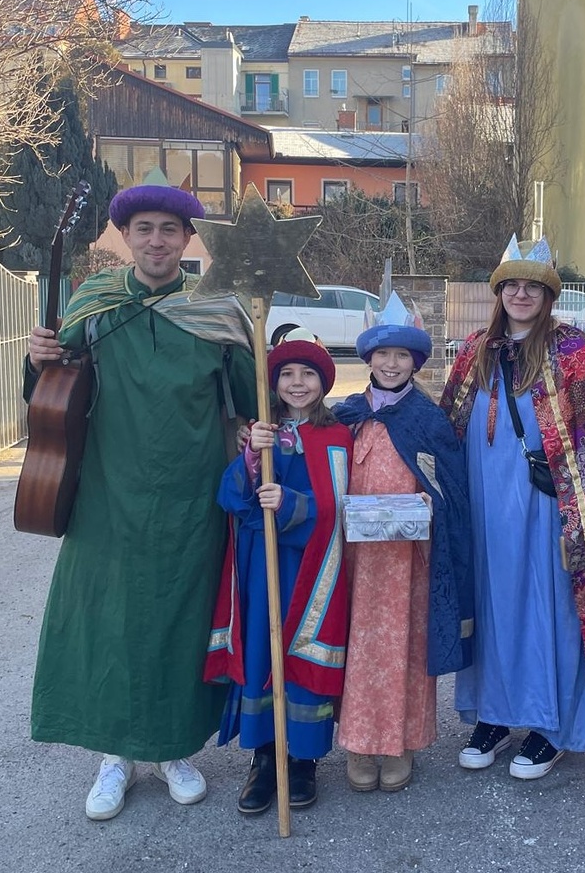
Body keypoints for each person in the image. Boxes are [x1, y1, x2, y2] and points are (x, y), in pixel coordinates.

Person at [25, 184, 258, 820]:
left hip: (192, 495)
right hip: (109, 490)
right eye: (145, 229)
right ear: (126, 236)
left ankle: (174, 750)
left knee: (181, 619)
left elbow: (252, 400)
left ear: (187, 239)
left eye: (169, 229)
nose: (157, 240)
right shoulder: (94, 304)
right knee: (111, 620)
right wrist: (39, 360)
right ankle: (116, 756)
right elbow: (51, 391)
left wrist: (263, 413)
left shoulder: (218, 309)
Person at [440, 234, 585, 780]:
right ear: (498, 292)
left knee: (551, 607)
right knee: (492, 606)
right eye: (512, 285)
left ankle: (552, 725)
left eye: (533, 287)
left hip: (549, 509)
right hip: (486, 510)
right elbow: (445, 428)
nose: (521, 294)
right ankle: (494, 714)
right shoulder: (474, 351)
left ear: (548, 296)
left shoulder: (571, 352)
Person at [205, 330, 353, 814]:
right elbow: (230, 497)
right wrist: (252, 458)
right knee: (262, 651)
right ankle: (265, 759)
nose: (297, 382)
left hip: (310, 568)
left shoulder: (336, 436)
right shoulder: (260, 433)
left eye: (308, 373)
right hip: (261, 565)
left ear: (324, 382)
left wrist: (289, 503)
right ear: (273, 383)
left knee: (301, 655)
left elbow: (335, 507)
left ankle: (303, 761)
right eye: (286, 373)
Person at [331, 295, 474, 793]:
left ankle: (401, 744)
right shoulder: (346, 415)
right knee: (358, 647)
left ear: (416, 362)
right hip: (354, 558)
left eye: (402, 356)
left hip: (408, 562)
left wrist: (431, 508)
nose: (391, 364)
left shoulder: (429, 420)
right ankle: (358, 743)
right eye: (383, 354)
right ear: (368, 359)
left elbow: (452, 487)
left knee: (404, 649)